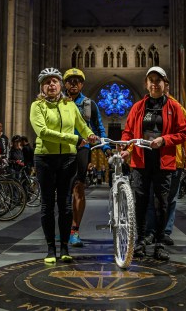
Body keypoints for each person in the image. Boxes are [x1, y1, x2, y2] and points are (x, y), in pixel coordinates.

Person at [120, 66, 186, 261]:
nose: (154, 84)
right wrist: (126, 148)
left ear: (165, 84)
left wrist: (165, 140)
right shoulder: (138, 107)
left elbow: (184, 133)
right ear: (146, 84)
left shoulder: (174, 107)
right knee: (140, 204)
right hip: (140, 161)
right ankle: (140, 240)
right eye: (151, 80)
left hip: (163, 161)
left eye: (158, 80)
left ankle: (159, 242)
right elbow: (128, 131)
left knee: (161, 203)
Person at [30, 67, 96, 264]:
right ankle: (51, 248)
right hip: (45, 158)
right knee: (47, 205)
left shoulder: (70, 105)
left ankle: (65, 247)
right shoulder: (37, 106)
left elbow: (82, 124)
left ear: (60, 85)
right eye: (47, 82)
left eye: (54, 81)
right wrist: (74, 139)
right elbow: (42, 132)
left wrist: (89, 135)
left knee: (66, 205)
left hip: (67, 158)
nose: (51, 84)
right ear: (42, 86)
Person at [63, 68, 110, 247]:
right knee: (61, 192)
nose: (74, 83)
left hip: (82, 149)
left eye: (78, 81)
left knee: (78, 189)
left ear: (82, 84)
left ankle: (75, 230)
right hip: (60, 149)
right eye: (70, 80)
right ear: (65, 83)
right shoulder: (58, 102)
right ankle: (64, 226)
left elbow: (99, 127)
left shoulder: (89, 104)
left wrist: (105, 147)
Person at [145, 88, 186, 246]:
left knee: (171, 199)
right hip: (152, 159)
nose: (158, 87)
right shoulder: (146, 106)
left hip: (175, 160)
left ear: (166, 86)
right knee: (152, 198)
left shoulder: (177, 107)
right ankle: (150, 232)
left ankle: (165, 231)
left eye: (161, 83)